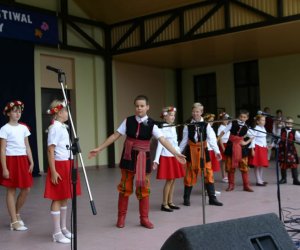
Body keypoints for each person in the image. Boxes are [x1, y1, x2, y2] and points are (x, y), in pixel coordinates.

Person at [89, 95, 186, 229]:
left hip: (143, 158)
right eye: (137, 106)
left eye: (142, 106)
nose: (139, 108)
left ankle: (144, 218)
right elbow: (115, 135)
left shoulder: (152, 124)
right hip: (128, 157)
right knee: (124, 188)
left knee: (143, 188)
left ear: (147, 107)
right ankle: (121, 218)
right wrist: (99, 148)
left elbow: (163, 140)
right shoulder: (128, 121)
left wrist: (176, 153)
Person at [44, 100, 81, 244]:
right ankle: (56, 232)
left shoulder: (63, 127)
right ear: (59, 113)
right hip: (59, 165)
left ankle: (64, 228)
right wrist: (53, 171)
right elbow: (50, 150)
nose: (68, 113)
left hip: (68, 163)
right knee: (57, 198)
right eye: (66, 111)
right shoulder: (55, 128)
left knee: (65, 196)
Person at [179, 103, 223, 207]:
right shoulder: (188, 124)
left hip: (203, 150)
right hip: (191, 151)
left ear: (201, 112)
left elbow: (212, 139)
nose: (195, 113)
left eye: (197, 112)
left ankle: (212, 198)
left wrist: (217, 152)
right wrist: (178, 153)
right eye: (193, 111)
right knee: (189, 174)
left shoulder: (206, 124)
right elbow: (184, 140)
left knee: (208, 173)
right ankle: (186, 198)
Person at [0, 100, 34, 231]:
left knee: (26, 189)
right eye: (15, 111)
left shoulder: (23, 128)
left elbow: (27, 146)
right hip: (10, 161)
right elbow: (2, 149)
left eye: (19, 111)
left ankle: (17, 213)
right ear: (8, 113)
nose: (18, 113)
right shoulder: (4, 129)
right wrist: (4, 168)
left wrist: (31, 161)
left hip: (22, 160)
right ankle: (14, 221)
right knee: (11, 190)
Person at [152, 106, 185, 212]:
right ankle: (164, 203)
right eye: (171, 115)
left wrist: (179, 154)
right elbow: (161, 145)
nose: (173, 117)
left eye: (174, 115)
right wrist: (156, 160)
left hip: (174, 155)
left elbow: (175, 143)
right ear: (165, 117)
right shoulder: (163, 127)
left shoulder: (173, 126)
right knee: (169, 180)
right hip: (166, 156)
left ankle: (170, 202)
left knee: (174, 179)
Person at [219, 109, 253, 192]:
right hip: (231, 147)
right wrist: (217, 139)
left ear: (247, 118)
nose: (242, 118)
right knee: (230, 167)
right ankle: (231, 185)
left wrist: (246, 142)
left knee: (244, 167)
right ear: (239, 117)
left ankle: (246, 185)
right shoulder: (232, 123)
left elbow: (253, 136)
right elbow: (223, 132)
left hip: (242, 149)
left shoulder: (247, 127)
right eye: (241, 116)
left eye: (244, 117)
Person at [248, 114, 270, 186]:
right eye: (262, 120)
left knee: (261, 164)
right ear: (257, 121)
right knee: (257, 165)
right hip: (257, 147)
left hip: (263, 147)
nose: (264, 121)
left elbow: (264, 138)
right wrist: (252, 149)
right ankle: (258, 180)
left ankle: (261, 179)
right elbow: (252, 139)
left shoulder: (263, 128)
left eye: (264, 120)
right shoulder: (255, 128)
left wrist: (266, 145)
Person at [277, 117, 300, 185]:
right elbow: (278, 138)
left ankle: (295, 179)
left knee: (293, 164)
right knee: (283, 164)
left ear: (292, 124)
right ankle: (284, 179)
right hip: (283, 150)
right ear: (285, 123)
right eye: (287, 122)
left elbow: (299, 138)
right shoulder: (282, 130)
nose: (288, 124)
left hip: (291, 150)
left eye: (290, 123)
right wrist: (273, 144)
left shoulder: (294, 131)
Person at [217, 113, 230, 183]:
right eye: (224, 119)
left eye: (227, 119)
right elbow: (220, 139)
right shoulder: (220, 127)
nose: (226, 121)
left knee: (228, 160)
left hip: (228, 144)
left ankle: (228, 175)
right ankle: (224, 176)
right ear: (222, 120)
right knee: (223, 161)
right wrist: (223, 148)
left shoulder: (228, 126)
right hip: (223, 145)